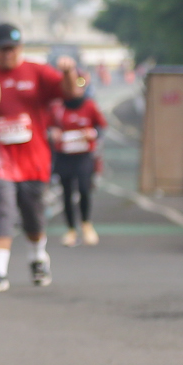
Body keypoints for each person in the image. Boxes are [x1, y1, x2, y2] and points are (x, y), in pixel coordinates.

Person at [0, 23, 65, 292]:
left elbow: (73, 91)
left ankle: (38, 257)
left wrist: (71, 73)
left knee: (32, 215)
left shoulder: (38, 72)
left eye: (13, 48)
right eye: (3, 49)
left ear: (21, 48)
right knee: (1, 210)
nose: (8, 53)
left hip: (33, 160)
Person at [51, 70, 106, 246]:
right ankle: (70, 229)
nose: (76, 88)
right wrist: (53, 133)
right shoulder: (57, 107)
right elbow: (47, 125)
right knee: (66, 192)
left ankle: (86, 224)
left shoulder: (90, 105)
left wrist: (93, 133)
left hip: (83, 155)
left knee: (84, 188)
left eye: (80, 84)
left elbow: (101, 126)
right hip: (64, 156)